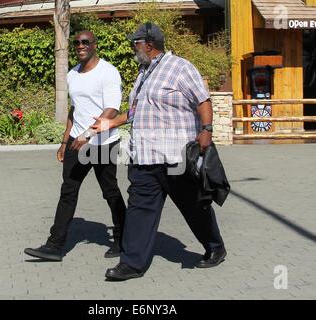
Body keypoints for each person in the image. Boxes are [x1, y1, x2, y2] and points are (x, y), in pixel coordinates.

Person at [91, 23, 227, 281]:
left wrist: (206, 131)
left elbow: (203, 101)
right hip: (143, 157)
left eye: (136, 43)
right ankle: (131, 264)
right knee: (139, 210)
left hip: (175, 157)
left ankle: (215, 247)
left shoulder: (180, 68)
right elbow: (134, 113)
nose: (133, 47)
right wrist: (110, 122)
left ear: (149, 44)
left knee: (194, 206)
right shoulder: (143, 74)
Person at [24, 31, 126, 261]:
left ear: (94, 45)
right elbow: (75, 109)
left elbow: (112, 110)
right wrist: (65, 140)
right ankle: (55, 246)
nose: (80, 46)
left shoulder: (108, 72)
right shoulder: (72, 74)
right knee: (68, 191)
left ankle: (122, 237)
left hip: (102, 143)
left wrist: (88, 134)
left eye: (85, 42)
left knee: (109, 191)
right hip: (76, 143)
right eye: (77, 43)